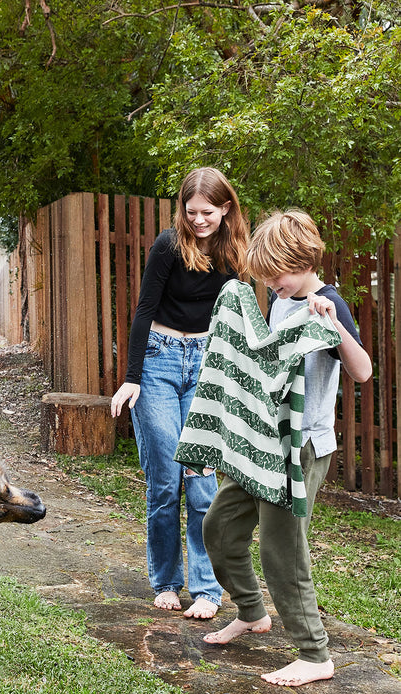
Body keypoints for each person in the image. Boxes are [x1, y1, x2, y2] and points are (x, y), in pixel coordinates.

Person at [201, 209, 372, 686]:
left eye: (276, 274)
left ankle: (315, 655)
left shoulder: (326, 302)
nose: (271, 283)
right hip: (262, 440)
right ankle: (252, 612)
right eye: (265, 276)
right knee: (219, 528)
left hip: (303, 447)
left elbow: (362, 372)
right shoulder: (279, 300)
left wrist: (334, 325)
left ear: (303, 260)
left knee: (282, 547)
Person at [110, 167, 247, 619]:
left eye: (207, 212)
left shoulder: (235, 253)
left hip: (205, 364)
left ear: (225, 208)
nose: (199, 220)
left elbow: (242, 319)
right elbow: (144, 309)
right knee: (166, 482)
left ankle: (207, 589)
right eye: (191, 212)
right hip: (158, 361)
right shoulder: (169, 246)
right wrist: (132, 377)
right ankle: (167, 582)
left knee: (202, 483)